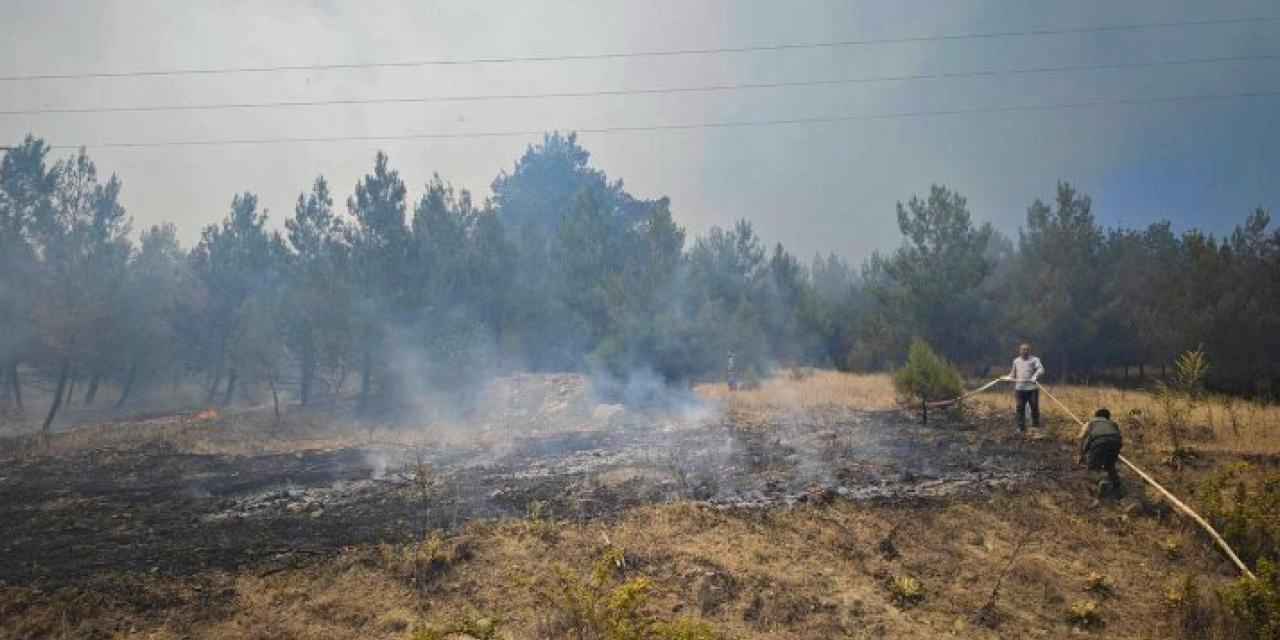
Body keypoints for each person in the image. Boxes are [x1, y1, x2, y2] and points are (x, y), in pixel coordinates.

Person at [1078, 408, 1124, 499]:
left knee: (1092, 468)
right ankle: (1117, 487)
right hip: (1116, 442)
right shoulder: (1112, 423)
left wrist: (1081, 454)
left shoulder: (1090, 422)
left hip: (1099, 441)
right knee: (1110, 465)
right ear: (1108, 417)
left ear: (1096, 416)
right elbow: (1117, 434)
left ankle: (1101, 481)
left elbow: (1081, 437)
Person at [1008, 343, 1045, 432]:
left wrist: (1035, 376)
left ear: (1029, 351)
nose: (1025, 351)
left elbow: (1041, 369)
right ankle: (1021, 427)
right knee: (1019, 407)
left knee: (1034, 406)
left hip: (1032, 389)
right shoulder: (1016, 361)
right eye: (1023, 349)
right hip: (1019, 389)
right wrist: (1008, 377)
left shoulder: (1035, 359)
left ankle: (1035, 426)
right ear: (1019, 351)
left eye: (1027, 349)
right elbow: (1013, 374)